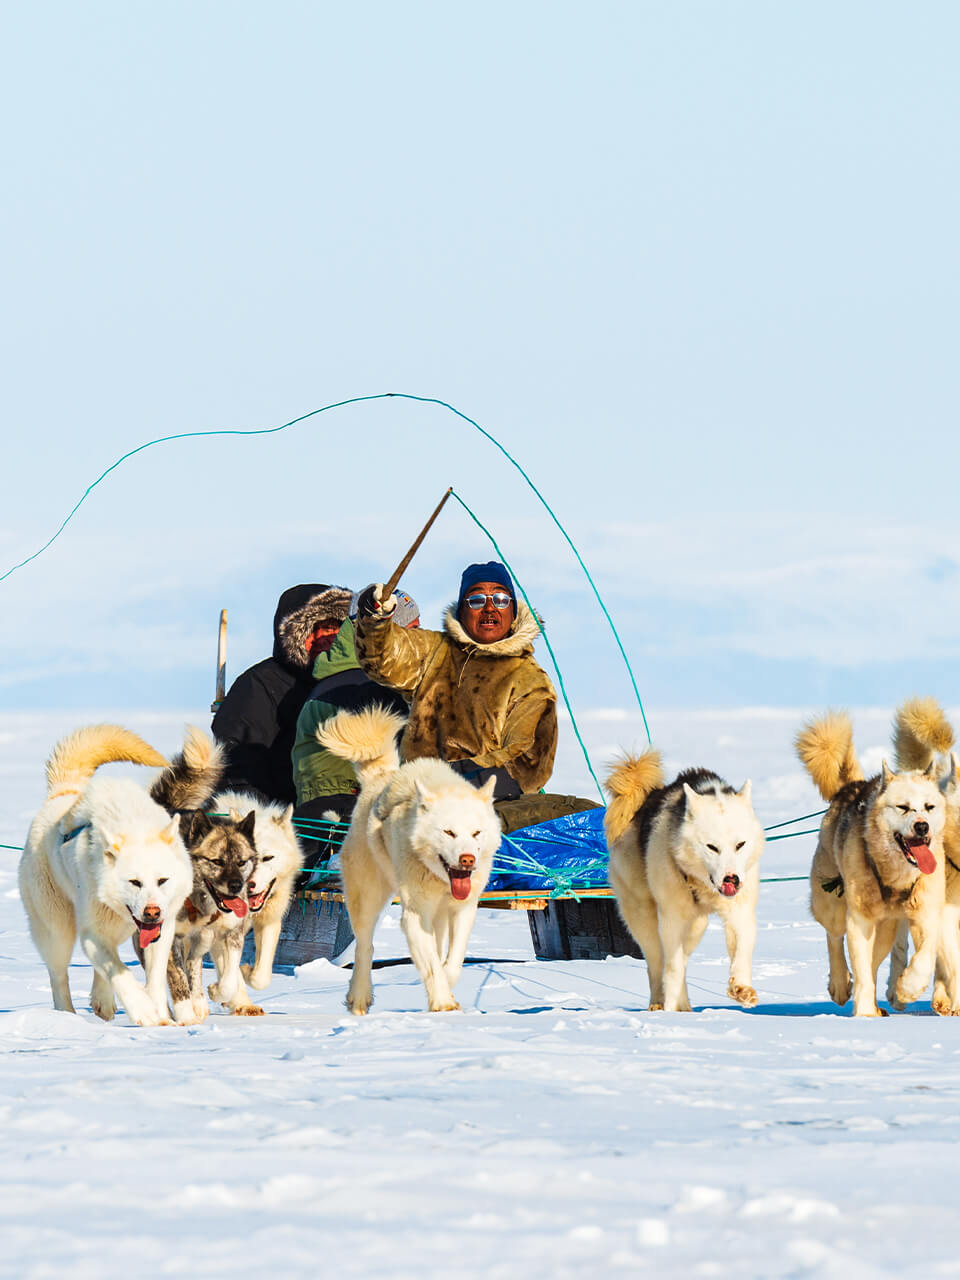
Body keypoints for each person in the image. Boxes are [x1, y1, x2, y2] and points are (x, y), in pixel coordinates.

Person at [353, 561, 559, 809]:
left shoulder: (531, 680)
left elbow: (528, 761)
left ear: (513, 611)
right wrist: (374, 620)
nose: (490, 608)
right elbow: (382, 658)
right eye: (477, 600)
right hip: (418, 803)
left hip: (485, 812)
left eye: (501, 599)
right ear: (462, 610)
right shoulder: (434, 650)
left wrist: (453, 777)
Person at [291, 589, 420, 875]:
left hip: (325, 822)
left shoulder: (340, 677)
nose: (420, 641)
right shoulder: (365, 686)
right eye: (412, 631)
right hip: (340, 824)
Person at [211, 583, 353, 805]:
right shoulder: (259, 684)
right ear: (297, 634)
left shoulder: (353, 684)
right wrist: (261, 820)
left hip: (346, 816)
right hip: (277, 818)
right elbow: (236, 763)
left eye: (338, 628)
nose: (329, 637)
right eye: (320, 628)